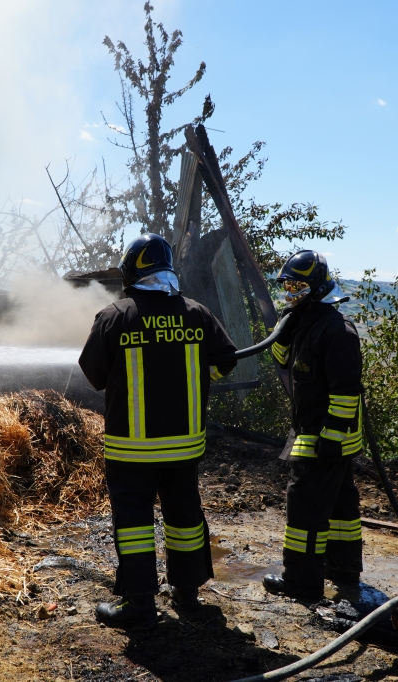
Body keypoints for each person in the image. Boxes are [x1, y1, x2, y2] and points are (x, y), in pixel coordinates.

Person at [79, 233, 238, 627]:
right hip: (184, 450)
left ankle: (140, 605)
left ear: (131, 271)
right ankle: (187, 593)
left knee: (133, 523)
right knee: (184, 516)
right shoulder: (197, 313)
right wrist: (199, 378)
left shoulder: (115, 316)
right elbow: (226, 360)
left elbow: (93, 375)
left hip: (132, 451)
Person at [261, 250, 364, 601]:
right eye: (287, 285)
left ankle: (301, 583)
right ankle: (344, 569)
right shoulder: (305, 323)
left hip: (325, 437)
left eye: (297, 286)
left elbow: (347, 390)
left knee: (305, 506)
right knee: (340, 506)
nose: (290, 292)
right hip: (318, 433)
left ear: (317, 288)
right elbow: (283, 360)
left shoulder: (337, 330)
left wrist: (332, 438)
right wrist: (285, 328)